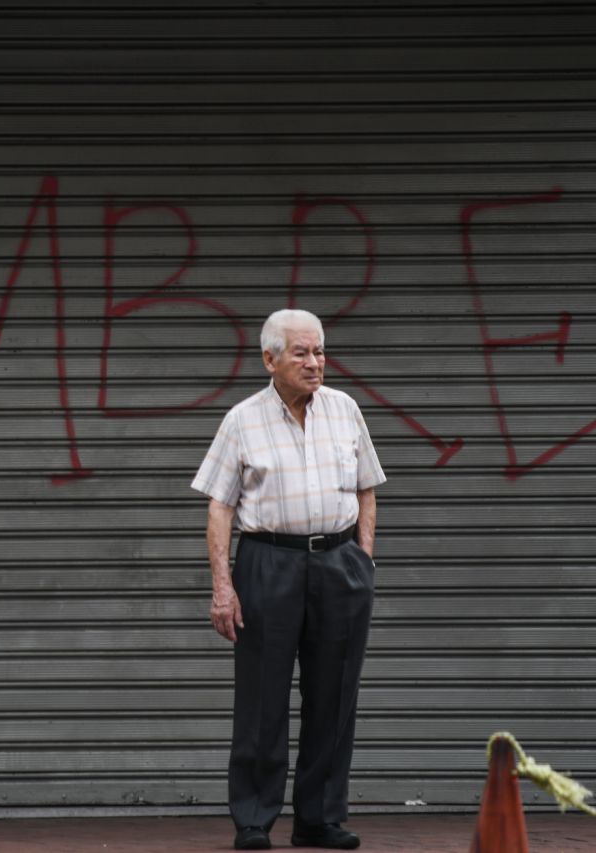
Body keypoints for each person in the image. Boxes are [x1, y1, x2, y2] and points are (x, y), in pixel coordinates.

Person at [191, 308, 385, 850]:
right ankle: (253, 819)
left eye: (319, 351)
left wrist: (364, 560)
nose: (315, 362)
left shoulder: (345, 410)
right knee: (262, 697)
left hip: (340, 563)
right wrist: (223, 586)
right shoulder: (242, 419)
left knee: (335, 694)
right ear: (269, 359)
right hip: (268, 563)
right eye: (301, 352)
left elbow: (368, 486)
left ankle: (318, 818)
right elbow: (219, 508)